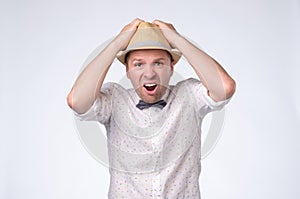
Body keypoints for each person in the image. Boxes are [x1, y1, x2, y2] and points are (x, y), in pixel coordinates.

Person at [67, 18, 236, 198]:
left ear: (172, 67)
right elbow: (76, 101)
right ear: (127, 71)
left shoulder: (189, 96)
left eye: (158, 63)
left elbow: (225, 88)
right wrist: (116, 44)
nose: (149, 74)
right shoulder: (114, 99)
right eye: (138, 64)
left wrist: (177, 40)